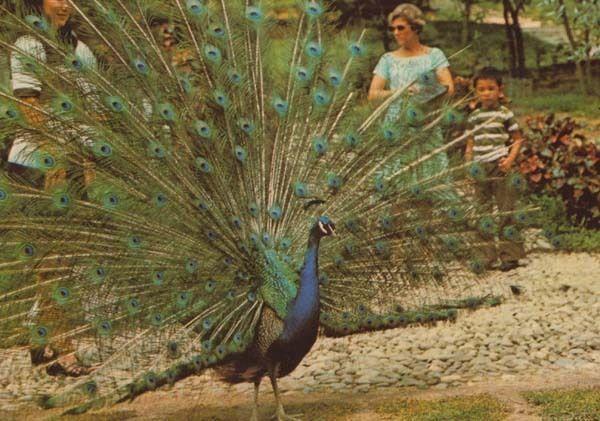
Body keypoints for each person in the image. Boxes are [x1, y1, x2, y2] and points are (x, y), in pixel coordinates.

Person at [8, 0, 97, 376]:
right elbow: (30, 108)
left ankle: (39, 338)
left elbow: (95, 111)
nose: (63, 4)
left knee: (66, 255)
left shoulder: (81, 51)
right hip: (36, 160)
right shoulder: (30, 45)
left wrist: (87, 162)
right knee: (54, 258)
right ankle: (63, 350)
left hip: (72, 159)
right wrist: (55, 161)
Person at [368, 3, 454, 187]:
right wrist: (398, 92)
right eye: (393, 29)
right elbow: (373, 94)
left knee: (430, 182)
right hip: (396, 126)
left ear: (415, 28)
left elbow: (448, 87)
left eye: (401, 28)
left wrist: (425, 92)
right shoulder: (388, 59)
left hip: (425, 124)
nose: (396, 33)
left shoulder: (434, 55)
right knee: (393, 183)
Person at [465, 67, 526, 272]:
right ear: (476, 92)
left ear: (500, 90)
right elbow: (470, 143)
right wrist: (468, 166)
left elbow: (517, 140)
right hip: (480, 168)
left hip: (500, 166)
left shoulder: (504, 114)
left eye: (491, 88)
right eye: (481, 89)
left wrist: (509, 160)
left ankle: (510, 255)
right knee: (482, 212)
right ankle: (485, 256)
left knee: (506, 209)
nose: (486, 93)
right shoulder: (474, 117)